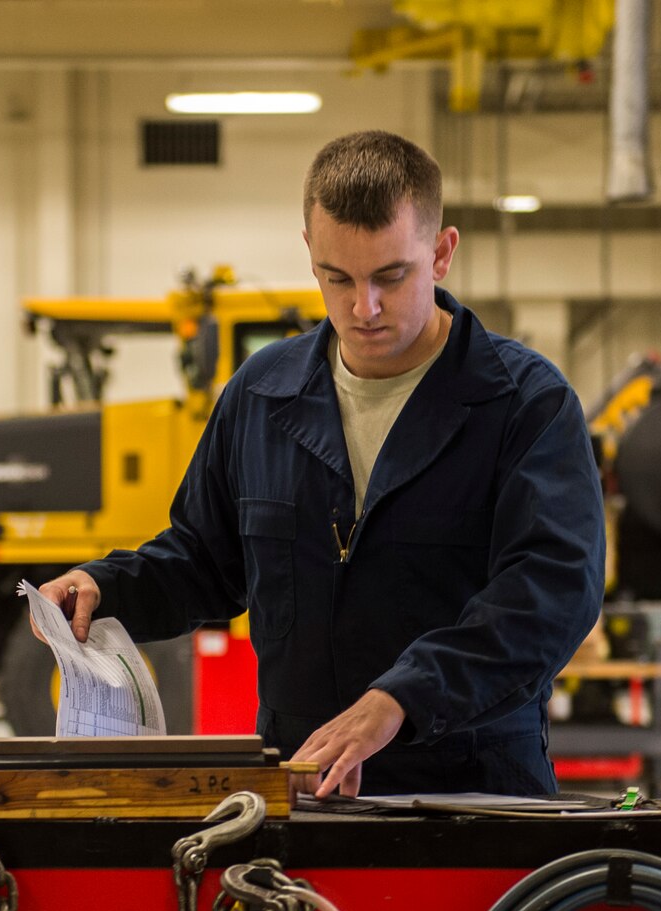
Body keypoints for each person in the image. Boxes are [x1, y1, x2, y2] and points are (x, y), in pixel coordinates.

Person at [38, 130, 604, 798]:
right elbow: (206, 561)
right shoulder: (262, 395)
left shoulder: (523, 404)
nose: (363, 307)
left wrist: (402, 698)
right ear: (310, 251)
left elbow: (551, 592)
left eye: (391, 277)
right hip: (302, 791)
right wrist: (110, 586)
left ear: (442, 252)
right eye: (338, 278)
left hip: (472, 795)